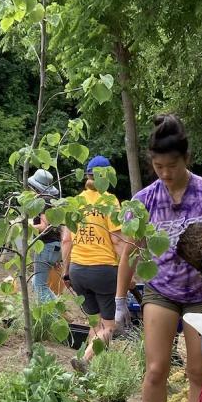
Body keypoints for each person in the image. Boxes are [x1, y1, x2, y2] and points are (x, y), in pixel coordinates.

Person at [117, 114, 202, 402]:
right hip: (161, 289)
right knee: (156, 368)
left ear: (187, 159)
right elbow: (131, 252)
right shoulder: (144, 201)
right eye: (157, 165)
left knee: (199, 371)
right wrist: (120, 300)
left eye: (172, 165)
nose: (165, 173)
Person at [61, 156, 127, 370]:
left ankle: (86, 370)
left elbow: (66, 240)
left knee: (95, 323)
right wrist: (130, 273)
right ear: (106, 176)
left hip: (78, 270)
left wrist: (66, 271)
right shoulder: (109, 201)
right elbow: (117, 241)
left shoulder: (75, 203)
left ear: (87, 175)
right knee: (109, 327)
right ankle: (85, 361)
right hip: (103, 270)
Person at [26, 169, 63, 302]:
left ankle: (54, 315)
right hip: (54, 246)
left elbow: (44, 226)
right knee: (37, 281)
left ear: (36, 187)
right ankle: (56, 309)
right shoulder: (53, 201)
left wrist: (25, 226)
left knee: (40, 285)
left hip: (46, 246)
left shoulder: (44, 201)